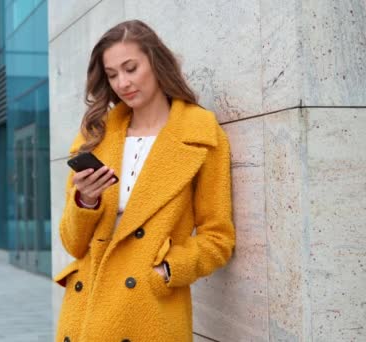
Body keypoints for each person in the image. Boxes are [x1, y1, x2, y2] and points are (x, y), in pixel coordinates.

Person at [54, 20, 236, 342]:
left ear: (155, 62)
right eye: (112, 75)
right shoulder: (95, 135)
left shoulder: (199, 135)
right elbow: (72, 244)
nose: (122, 83)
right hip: (87, 310)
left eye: (130, 68)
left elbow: (217, 237)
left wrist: (168, 270)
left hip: (148, 311)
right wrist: (86, 201)